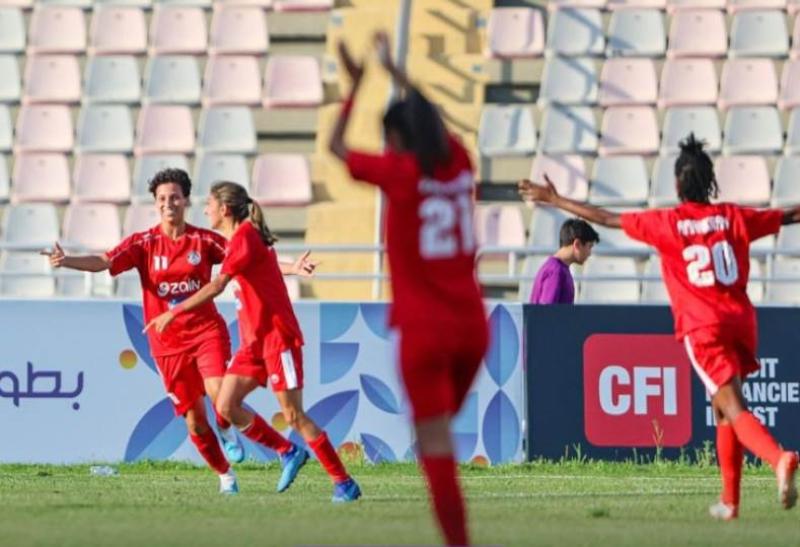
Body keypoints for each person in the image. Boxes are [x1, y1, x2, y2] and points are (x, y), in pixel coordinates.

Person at [519, 134, 798, 520]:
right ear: (710, 182)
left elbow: (607, 219)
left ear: (678, 185)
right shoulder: (735, 216)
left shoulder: (668, 222)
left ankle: (778, 458)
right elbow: (787, 216)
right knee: (723, 407)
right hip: (741, 321)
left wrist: (556, 200)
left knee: (732, 407)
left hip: (705, 326)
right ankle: (730, 502)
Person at [41, 168, 315, 494]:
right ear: (155, 204)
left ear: (185, 201)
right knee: (195, 420)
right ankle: (225, 476)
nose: (168, 203)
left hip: (206, 333)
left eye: (174, 197)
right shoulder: (144, 243)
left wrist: (292, 267)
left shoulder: (204, 240)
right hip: (166, 345)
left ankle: (280, 449)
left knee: (218, 394)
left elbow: (250, 260)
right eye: (161, 199)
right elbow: (104, 261)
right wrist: (67, 260)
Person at [327, 33, 489, 545]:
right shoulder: (461, 161)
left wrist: (356, 86)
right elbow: (433, 116)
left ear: (395, 140)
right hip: (473, 328)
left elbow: (335, 148)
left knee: (433, 442)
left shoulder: (399, 173)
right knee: (439, 435)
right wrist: (396, 72)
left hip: (424, 331)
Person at [144, 181, 361, 503]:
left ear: (225, 209)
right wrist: (293, 268)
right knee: (225, 405)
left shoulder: (244, 237)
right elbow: (264, 268)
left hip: (277, 339)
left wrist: (172, 314)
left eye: (210, 204)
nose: (205, 210)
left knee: (294, 416)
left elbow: (217, 285)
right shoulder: (239, 240)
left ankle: (343, 482)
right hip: (253, 344)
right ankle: (287, 452)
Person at [530, 218, 598, 304]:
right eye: (589, 247)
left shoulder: (558, 268)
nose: (589, 253)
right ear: (577, 244)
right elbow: (546, 313)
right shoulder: (555, 271)